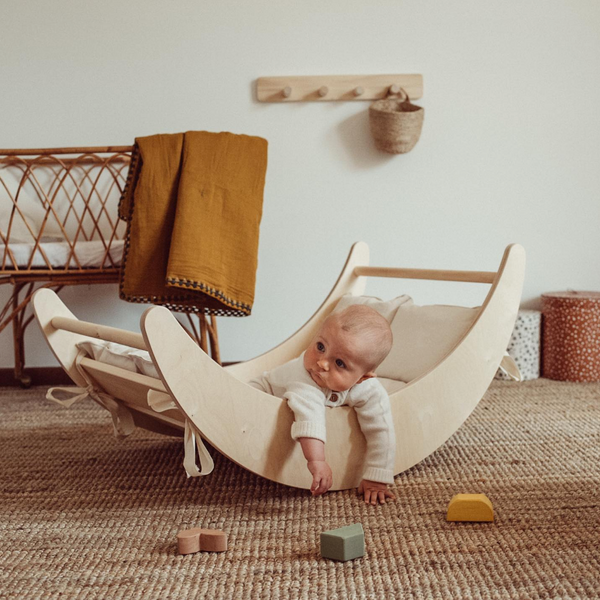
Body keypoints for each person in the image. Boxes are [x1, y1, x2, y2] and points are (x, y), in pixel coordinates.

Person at [249, 304, 396, 505]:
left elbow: (382, 429)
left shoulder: (370, 389)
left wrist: (377, 476)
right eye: (320, 347)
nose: (322, 363)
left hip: (300, 406)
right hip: (262, 392)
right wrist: (317, 461)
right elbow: (310, 419)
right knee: (249, 409)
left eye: (340, 363)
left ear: (363, 378)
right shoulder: (305, 378)